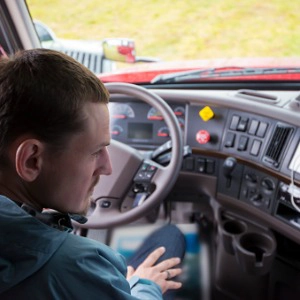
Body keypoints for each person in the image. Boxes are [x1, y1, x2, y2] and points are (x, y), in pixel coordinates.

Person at [0, 49, 185, 299]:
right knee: (171, 237)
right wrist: (144, 286)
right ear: (32, 160)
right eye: (96, 151)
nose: (108, 167)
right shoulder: (74, 265)